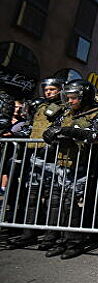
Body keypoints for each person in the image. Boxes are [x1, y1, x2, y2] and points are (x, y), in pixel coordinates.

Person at [41, 79, 98, 259]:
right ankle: (61, 240)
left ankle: (75, 242)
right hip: (64, 164)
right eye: (68, 97)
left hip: (85, 167)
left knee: (75, 205)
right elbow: (52, 129)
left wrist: (68, 131)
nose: (70, 101)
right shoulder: (65, 112)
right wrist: (51, 134)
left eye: (74, 98)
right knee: (59, 203)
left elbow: (95, 134)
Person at [7, 78, 64, 249]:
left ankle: (50, 235)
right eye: (46, 89)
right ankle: (28, 233)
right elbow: (30, 126)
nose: (48, 92)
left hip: (53, 157)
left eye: (52, 89)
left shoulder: (64, 108)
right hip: (35, 155)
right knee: (32, 196)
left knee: (53, 199)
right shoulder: (39, 107)